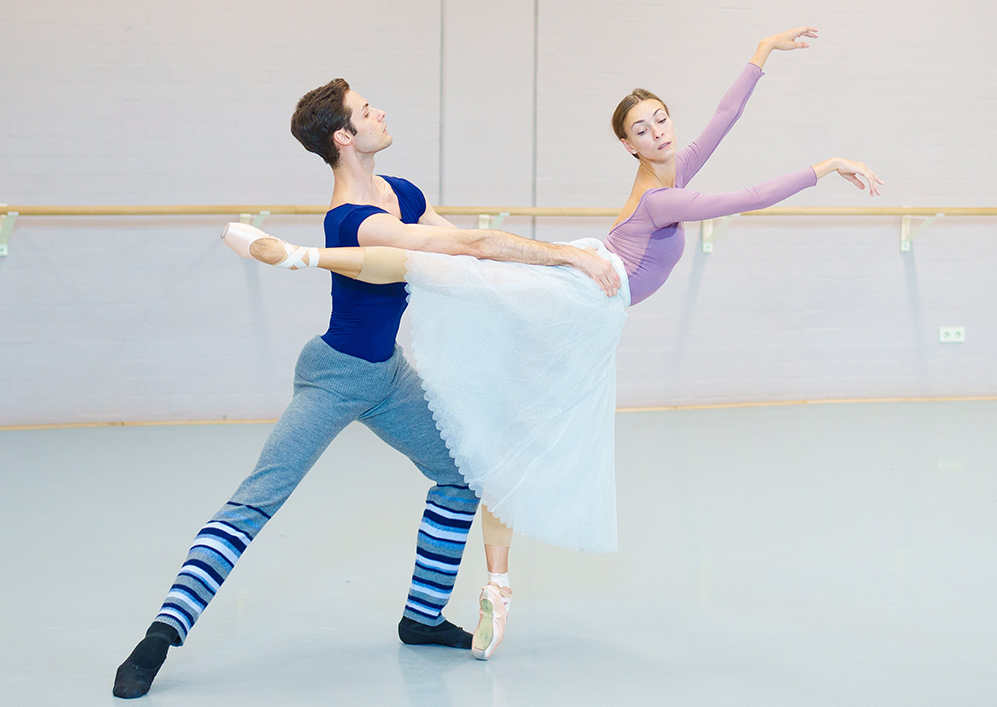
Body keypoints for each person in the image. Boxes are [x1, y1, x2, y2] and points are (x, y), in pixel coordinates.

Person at [218, 25, 883, 662]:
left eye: (661, 120)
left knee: (479, 321)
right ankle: (311, 256)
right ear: (626, 145)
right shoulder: (657, 200)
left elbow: (724, 116)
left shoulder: (673, 170)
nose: (658, 132)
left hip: (586, 290)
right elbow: (749, 195)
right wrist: (820, 166)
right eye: (641, 128)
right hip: (584, 295)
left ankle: (493, 584)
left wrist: (762, 50)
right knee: (469, 283)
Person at [111, 79, 621, 699]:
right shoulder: (353, 221)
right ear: (343, 137)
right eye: (365, 110)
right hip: (334, 375)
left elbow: (473, 256)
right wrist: (570, 256)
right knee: (257, 499)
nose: (381, 110)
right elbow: (470, 243)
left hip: (388, 375)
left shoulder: (401, 193)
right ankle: (161, 636)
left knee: (463, 476)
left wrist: (553, 281)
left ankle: (422, 618)